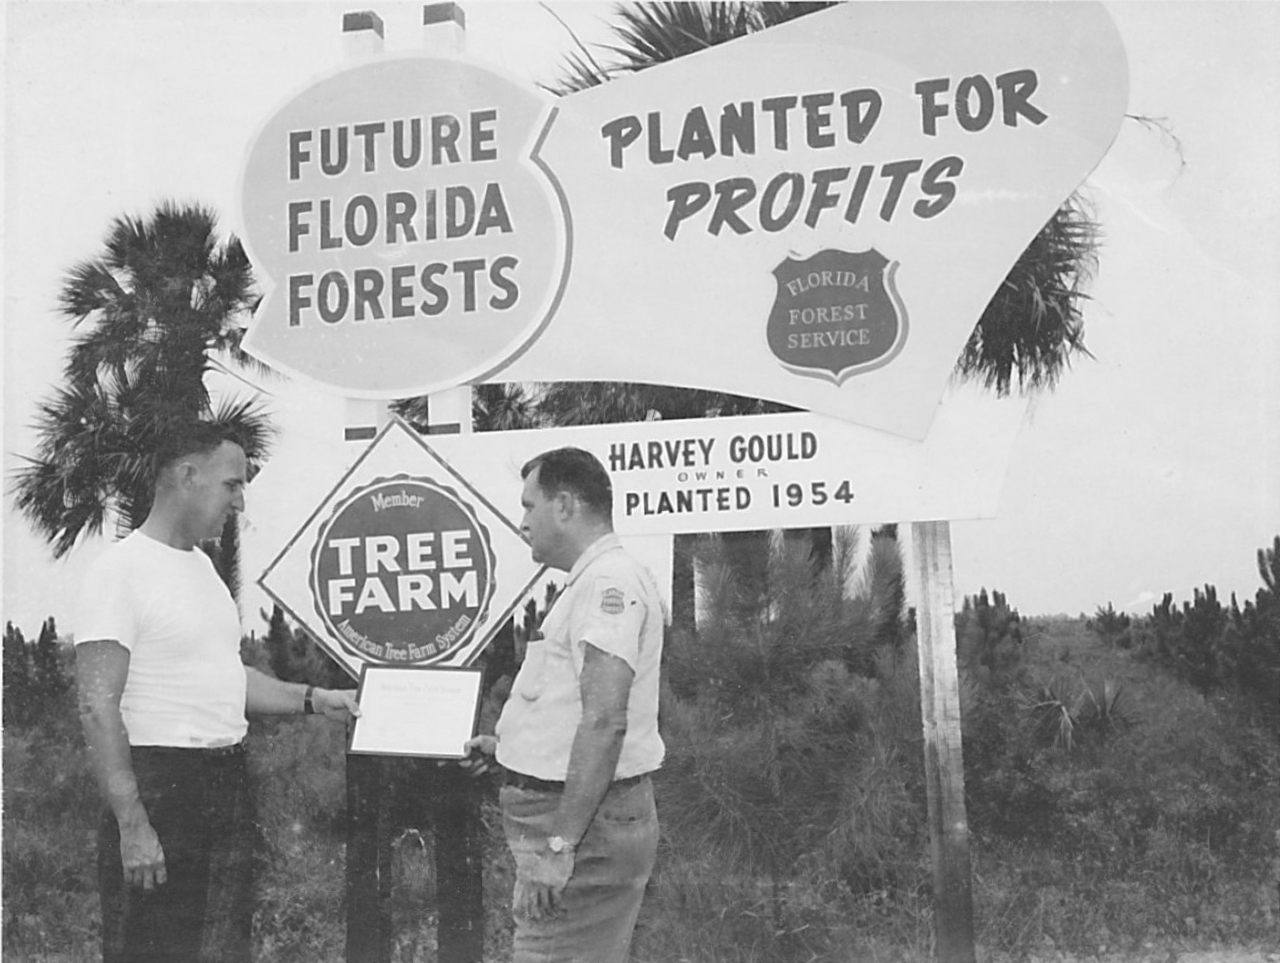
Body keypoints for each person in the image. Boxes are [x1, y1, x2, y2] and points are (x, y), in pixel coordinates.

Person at [73, 420, 359, 963]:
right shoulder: (119, 572)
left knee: (223, 949)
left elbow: (223, 676)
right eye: (232, 484)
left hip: (225, 783)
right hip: (159, 786)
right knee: (152, 950)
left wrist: (312, 699)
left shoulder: (202, 569)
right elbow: (96, 704)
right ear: (187, 475)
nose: (240, 502)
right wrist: (133, 824)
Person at [463, 446, 666, 963]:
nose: (523, 521)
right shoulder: (594, 581)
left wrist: (559, 848)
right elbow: (575, 708)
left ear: (567, 506)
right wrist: (511, 751)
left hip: (582, 833)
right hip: (581, 825)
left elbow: (604, 720)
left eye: (530, 505)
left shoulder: (607, 584)